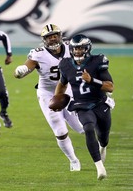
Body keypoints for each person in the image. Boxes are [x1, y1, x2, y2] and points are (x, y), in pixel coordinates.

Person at [14, 24, 84, 171]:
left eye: (54, 35)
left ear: (60, 36)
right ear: (44, 40)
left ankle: (99, 144)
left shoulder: (70, 47)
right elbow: (29, 66)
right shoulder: (39, 53)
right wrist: (22, 70)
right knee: (60, 130)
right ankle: (73, 160)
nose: (52, 39)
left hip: (67, 89)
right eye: (49, 37)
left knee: (81, 127)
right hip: (47, 94)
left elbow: (85, 63)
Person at [53, 34, 114, 180]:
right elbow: (62, 83)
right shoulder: (66, 64)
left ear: (87, 48)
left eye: (80, 48)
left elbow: (110, 87)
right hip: (81, 104)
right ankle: (99, 167)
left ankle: (103, 146)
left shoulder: (97, 61)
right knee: (88, 128)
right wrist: (56, 99)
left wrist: (92, 80)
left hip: (99, 103)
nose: (78, 51)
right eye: (75, 49)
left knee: (104, 137)